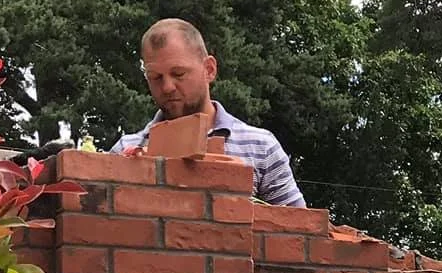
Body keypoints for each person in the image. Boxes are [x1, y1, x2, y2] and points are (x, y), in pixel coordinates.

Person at [113, 19, 307, 208]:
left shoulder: (260, 147)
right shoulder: (126, 151)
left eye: (178, 74)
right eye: (155, 77)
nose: (167, 87)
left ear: (209, 69)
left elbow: (301, 231)